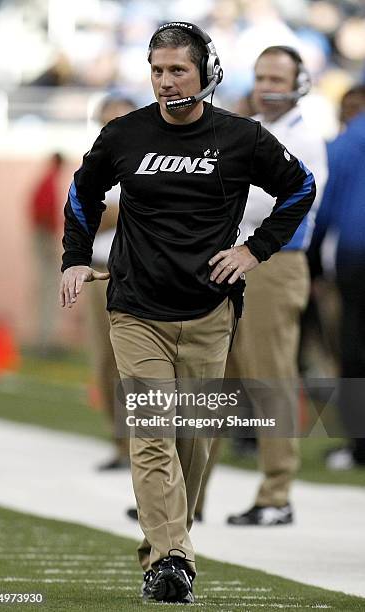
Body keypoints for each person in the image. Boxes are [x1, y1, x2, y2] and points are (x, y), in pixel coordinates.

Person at [59, 23, 316, 604]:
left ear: (207, 73)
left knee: (192, 441)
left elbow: (301, 187)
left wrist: (254, 250)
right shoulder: (124, 134)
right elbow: (82, 193)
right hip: (135, 310)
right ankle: (172, 558)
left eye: (178, 70)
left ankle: (165, 549)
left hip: (208, 312)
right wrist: (75, 258)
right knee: (152, 433)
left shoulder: (242, 137)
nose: (166, 81)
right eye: (157, 70)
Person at [195, 46, 328, 526]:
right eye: (261, 76)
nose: (268, 85)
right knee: (214, 379)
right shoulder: (251, 129)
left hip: (274, 262)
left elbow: (290, 206)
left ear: (299, 80)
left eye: (277, 76)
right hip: (232, 260)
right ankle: (190, 499)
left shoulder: (305, 138)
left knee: (270, 379)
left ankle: (277, 495)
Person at [310, 84, 365, 470]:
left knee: (355, 350)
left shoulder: (348, 142)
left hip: (357, 255)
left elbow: (322, 209)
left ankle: (359, 446)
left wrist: (311, 265)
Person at [86, 95, 137, 471]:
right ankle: (121, 443)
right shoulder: (96, 161)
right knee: (105, 360)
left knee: (137, 362)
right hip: (101, 267)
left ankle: (143, 443)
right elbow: (84, 216)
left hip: (136, 267)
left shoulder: (151, 159)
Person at [30, 152, 65, 352]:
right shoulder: (49, 182)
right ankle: (45, 340)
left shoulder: (45, 180)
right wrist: (51, 239)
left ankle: (45, 338)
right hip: (44, 237)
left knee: (46, 287)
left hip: (41, 236)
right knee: (49, 287)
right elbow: (44, 213)